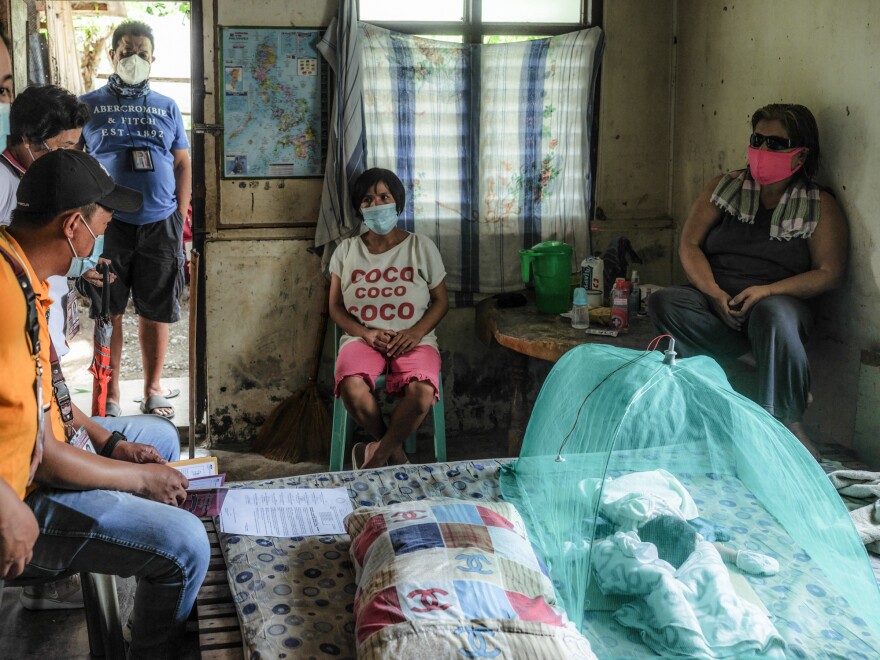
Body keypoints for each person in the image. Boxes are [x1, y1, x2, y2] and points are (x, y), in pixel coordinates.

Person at [0, 148, 209, 657]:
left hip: (39, 466)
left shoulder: (25, 279)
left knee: (157, 439)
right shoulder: (7, 297)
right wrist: (138, 478)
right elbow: (45, 455)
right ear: (73, 225)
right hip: (22, 506)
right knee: (186, 543)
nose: (104, 240)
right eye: (104, 224)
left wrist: (113, 444)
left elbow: (52, 409)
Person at [648, 104, 848, 459]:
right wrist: (712, 293)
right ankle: (761, 362)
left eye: (776, 143)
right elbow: (689, 244)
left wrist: (768, 290)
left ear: (801, 153)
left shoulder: (819, 203)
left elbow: (828, 272)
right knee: (666, 302)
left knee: (772, 315)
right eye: (758, 140)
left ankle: (789, 423)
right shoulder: (725, 187)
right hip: (718, 294)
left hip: (780, 299)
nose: (764, 150)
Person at [79, 19, 191, 420]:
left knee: (156, 310)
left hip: (161, 223)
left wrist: (180, 213)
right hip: (107, 226)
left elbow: (181, 162)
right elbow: (72, 162)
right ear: (112, 55)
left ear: (153, 58)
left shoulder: (167, 106)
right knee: (108, 311)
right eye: (127, 52)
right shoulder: (87, 105)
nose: (135, 59)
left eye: (142, 53)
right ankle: (109, 396)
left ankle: (153, 389)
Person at [329, 168, 448, 469]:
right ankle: (397, 456)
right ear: (359, 208)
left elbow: (441, 301)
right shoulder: (346, 251)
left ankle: (376, 456)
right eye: (368, 199)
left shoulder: (421, 246)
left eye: (384, 196)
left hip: (413, 338)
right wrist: (366, 334)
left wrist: (417, 333)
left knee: (421, 392)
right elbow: (335, 308)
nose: (377, 204)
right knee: (351, 388)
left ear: (398, 203)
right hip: (362, 338)